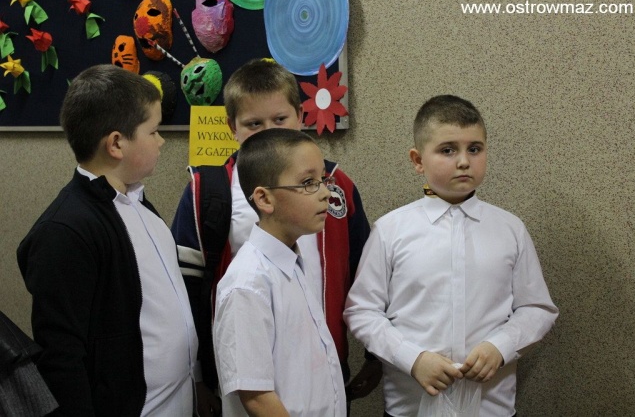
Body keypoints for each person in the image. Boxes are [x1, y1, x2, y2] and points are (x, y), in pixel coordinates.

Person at [171, 58, 380, 412]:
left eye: (280, 119)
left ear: (300, 116)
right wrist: (198, 377)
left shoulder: (335, 187)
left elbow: (366, 275)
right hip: (253, 373)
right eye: (254, 124)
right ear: (232, 127)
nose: (269, 132)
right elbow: (186, 293)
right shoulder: (208, 190)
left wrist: (375, 355)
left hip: (323, 370)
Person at [343, 95, 559, 417]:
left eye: (475, 149)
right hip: (411, 406)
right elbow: (362, 311)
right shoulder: (390, 230)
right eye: (447, 150)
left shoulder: (510, 229)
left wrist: (500, 347)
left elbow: (537, 308)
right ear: (418, 160)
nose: (463, 161)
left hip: (490, 406)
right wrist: (412, 358)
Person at [17, 64, 199, 416]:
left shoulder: (139, 204)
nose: (161, 141)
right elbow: (61, 356)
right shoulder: (65, 231)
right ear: (116, 143)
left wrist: (196, 380)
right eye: (153, 131)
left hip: (179, 399)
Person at [213, 128, 346, 416]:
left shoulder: (291, 263)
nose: (326, 193)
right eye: (308, 183)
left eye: (323, 180)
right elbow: (257, 397)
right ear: (264, 199)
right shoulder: (248, 284)